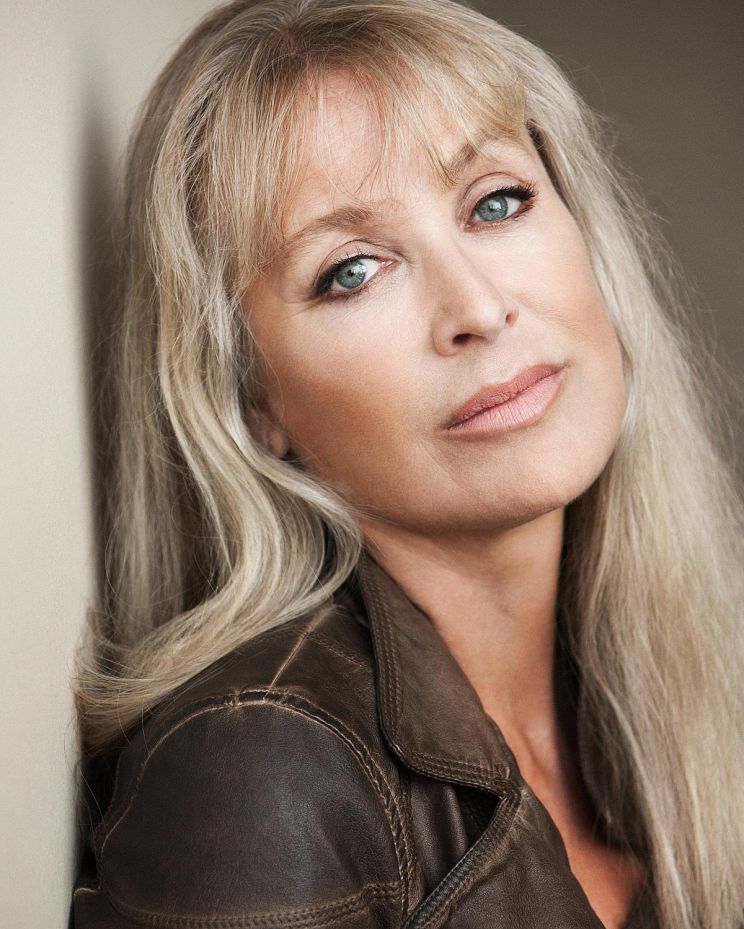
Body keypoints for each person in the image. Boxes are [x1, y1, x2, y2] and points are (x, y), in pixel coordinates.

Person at [70, 0, 744, 927]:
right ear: (254, 400)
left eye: (496, 202)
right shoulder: (261, 769)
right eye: (351, 269)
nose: (479, 307)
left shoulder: (689, 690)